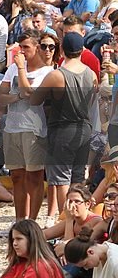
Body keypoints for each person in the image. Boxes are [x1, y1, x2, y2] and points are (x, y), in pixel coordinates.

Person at [30, 32, 97, 225]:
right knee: (77, 177)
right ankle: (78, 220)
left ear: (62, 50)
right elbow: (91, 100)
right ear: (82, 50)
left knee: (60, 178)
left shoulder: (57, 75)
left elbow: (35, 100)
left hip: (62, 128)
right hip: (84, 128)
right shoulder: (91, 74)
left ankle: (65, 220)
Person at [0, 32, 51, 221]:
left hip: (34, 129)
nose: (21, 51)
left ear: (37, 47)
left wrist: (21, 69)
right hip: (12, 128)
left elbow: (31, 95)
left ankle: (32, 221)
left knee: (34, 178)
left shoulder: (46, 72)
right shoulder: (12, 68)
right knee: (17, 177)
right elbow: (1, 97)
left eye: (26, 47)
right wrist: (18, 96)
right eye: (20, 47)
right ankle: (20, 220)